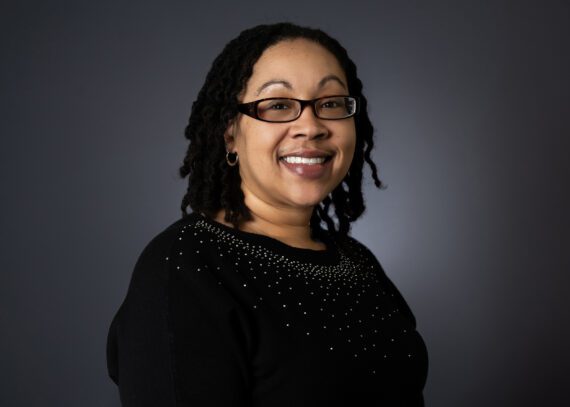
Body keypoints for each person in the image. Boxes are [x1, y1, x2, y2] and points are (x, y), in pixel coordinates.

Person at [106, 22, 429, 406]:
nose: (310, 127)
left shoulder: (355, 262)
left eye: (330, 103)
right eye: (278, 105)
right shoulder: (186, 267)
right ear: (230, 133)